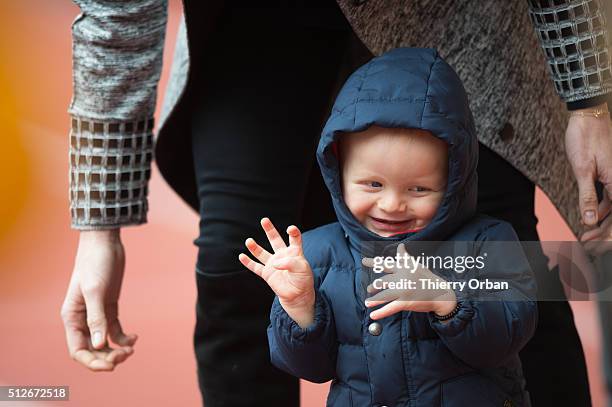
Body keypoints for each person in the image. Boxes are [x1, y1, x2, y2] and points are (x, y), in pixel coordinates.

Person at [61, 1, 611, 406]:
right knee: (241, 263)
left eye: (410, 192)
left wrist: (591, 102)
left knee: (498, 251)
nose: (393, 204)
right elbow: (115, 19)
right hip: (256, 29)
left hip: (447, 19)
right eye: (377, 189)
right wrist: (99, 227)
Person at [240, 48, 538, 406]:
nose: (392, 204)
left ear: (454, 181)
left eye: (418, 189)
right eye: (373, 185)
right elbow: (311, 367)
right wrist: (300, 307)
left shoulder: (485, 243)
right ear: (339, 174)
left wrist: (447, 302)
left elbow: (508, 334)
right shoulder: (318, 254)